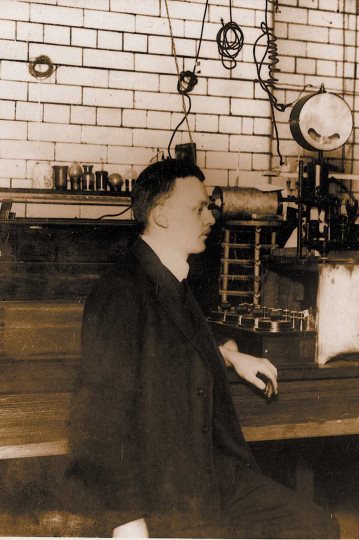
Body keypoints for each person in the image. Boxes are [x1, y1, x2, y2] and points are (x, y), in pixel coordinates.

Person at [65, 159, 338, 538]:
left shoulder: (170, 277)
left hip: (206, 474)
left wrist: (226, 355)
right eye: (198, 209)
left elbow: (171, 340)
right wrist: (125, 519)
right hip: (160, 489)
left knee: (316, 525)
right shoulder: (120, 291)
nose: (211, 218)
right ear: (160, 216)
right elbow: (100, 417)